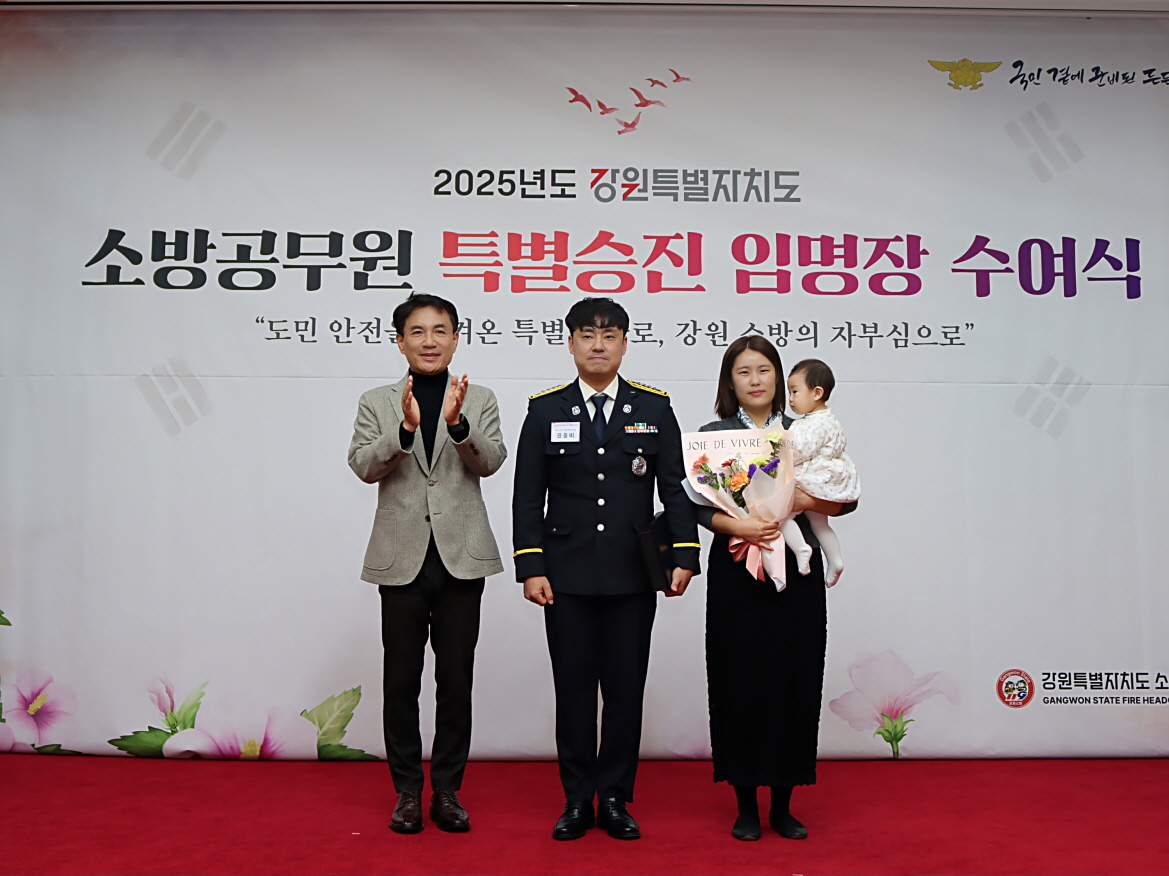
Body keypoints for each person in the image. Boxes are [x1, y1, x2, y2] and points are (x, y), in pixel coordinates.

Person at [512, 297, 701, 841]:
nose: (598, 345)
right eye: (588, 335)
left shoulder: (654, 408)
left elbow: (675, 489)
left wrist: (684, 556)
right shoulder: (545, 410)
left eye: (609, 335)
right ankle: (576, 798)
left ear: (624, 343)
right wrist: (531, 565)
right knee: (572, 690)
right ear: (570, 342)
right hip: (565, 576)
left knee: (624, 689)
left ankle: (615, 796)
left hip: (632, 574)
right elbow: (528, 496)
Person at [347, 293, 507, 835]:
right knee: (401, 682)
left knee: (455, 681)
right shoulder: (377, 401)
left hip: (462, 558)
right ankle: (407, 793)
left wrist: (457, 425)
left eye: (440, 331)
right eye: (417, 331)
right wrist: (405, 431)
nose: (430, 341)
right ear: (400, 341)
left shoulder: (479, 397)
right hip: (402, 560)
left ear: (456, 339)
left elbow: (490, 461)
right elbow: (362, 466)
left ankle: (448, 791)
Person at [694, 335, 857, 842]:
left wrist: (802, 500)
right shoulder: (714, 435)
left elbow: (845, 496)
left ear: (781, 378)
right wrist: (740, 526)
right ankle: (744, 802)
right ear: (730, 380)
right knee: (737, 678)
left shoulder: (803, 428)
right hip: (736, 568)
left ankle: (784, 804)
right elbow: (695, 504)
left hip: (797, 572)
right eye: (744, 371)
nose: (755, 380)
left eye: (764, 370)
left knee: (794, 677)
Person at [772, 358, 861, 587]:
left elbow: (799, 451)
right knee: (820, 523)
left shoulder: (811, 424)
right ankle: (835, 559)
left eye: (795, 391)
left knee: (780, 516)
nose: (791, 399)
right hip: (826, 481)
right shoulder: (830, 419)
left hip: (811, 479)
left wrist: (778, 445)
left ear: (817, 392)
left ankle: (801, 549)